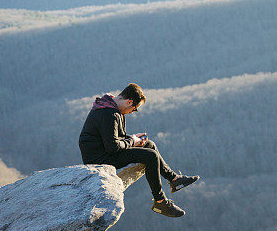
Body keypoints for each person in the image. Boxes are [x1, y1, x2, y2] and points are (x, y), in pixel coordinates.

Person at [78, 82, 199, 217]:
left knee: (150, 145)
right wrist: (133, 141)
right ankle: (160, 201)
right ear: (130, 102)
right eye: (134, 109)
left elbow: (116, 138)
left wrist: (134, 139)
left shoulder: (112, 107)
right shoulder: (108, 113)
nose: (132, 112)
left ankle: (174, 179)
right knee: (151, 156)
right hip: (99, 159)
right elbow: (113, 147)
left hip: (105, 152)